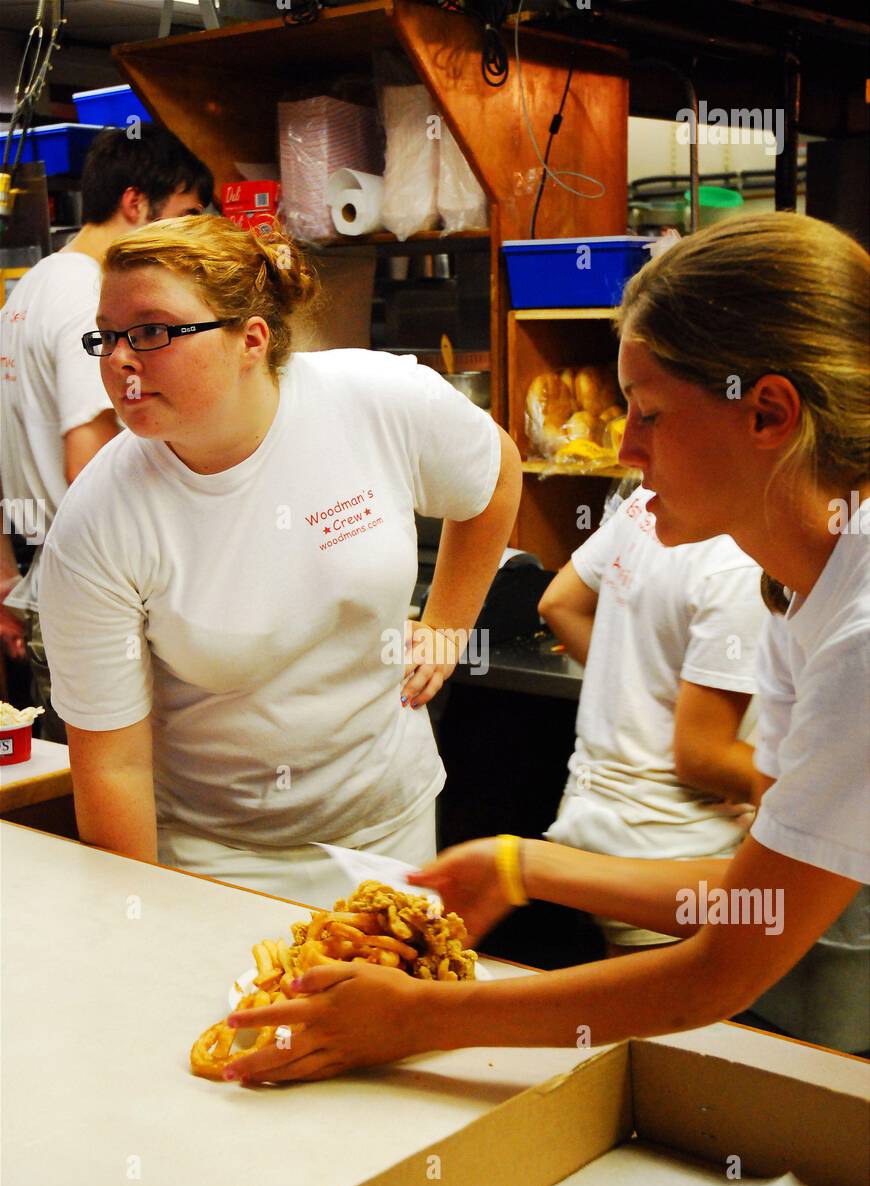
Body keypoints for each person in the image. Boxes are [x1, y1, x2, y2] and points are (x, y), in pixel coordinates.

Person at [220, 212, 869, 1082]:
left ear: (769, 412)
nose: (626, 449)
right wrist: (523, 866)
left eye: (649, 413)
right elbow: (748, 891)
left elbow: (721, 968)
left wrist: (421, 1019)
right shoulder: (797, 584)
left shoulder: (858, 637)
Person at [38, 214, 522, 905]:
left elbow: (496, 475)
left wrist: (446, 624)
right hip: (216, 858)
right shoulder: (99, 522)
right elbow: (113, 766)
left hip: (386, 833)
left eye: (150, 330)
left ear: (251, 339)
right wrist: (135, 919)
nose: (120, 359)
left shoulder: (374, 401)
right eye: (107, 335)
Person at [0, 125, 212, 739]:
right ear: (134, 203)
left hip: (49, 580)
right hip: (101, 598)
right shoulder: (92, 298)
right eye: (185, 215)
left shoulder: (32, 285)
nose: (189, 236)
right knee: (112, 805)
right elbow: (87, 467)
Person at [538, 481, 765, 956]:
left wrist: (638, 692)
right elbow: (702, 757)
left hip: (594, 820)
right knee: (671, 1024)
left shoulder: (648, 504)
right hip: (673, 851)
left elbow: (559, 602)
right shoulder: (742, 562)